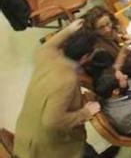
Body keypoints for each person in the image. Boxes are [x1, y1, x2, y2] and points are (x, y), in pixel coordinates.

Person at [14, 19, 104, 157]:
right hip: (45, 147)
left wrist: (69, 30)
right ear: (85, 57)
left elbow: (47, 46)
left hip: (25, 133)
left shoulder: (48, 56)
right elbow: (51, 121)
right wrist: (85, 112)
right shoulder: (67, 80)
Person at [82, 6, 131, 80]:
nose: (107, 30)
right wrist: (123, 53)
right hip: (129, 76)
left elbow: (119, 29)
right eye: (101, 28)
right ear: (93, 31)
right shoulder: (98, 51)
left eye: (108, 23)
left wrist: (124, 35)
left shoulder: (112, 30)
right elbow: (112, 75)